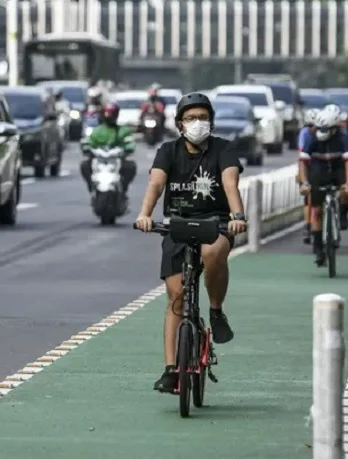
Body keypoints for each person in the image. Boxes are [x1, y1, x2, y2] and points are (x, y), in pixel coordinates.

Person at [134, 92, 247, 394]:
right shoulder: (168, 151)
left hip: (216, 224)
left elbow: (230, 183)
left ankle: (215, 309)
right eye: (191, 118)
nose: (198, 123)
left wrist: (237, 215)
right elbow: (156, 183)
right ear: (179, 124)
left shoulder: (224, 149)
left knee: (213, 252)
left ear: (211, 121)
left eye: (203, 117)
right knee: (176, 298)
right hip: (177, 225)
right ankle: (172, 369)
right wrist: (145, 215)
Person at [298, 106, 348, 266]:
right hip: (319, 170)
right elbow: (302, 163)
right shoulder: (311, 138)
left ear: (334, 129)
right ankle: (318, 249)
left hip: (337, 169)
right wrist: (304, 183)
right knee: (316, 209)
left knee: (347, 192)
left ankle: (342, 213)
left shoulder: (342, 137)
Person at [79, 102, 137, 194]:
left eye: (112, 114)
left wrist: (127, 148)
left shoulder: (123, 130)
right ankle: (91, 185)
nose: (109, 117)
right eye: (107, 114)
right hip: (99, 158)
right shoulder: (97, 131)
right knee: (84, 165)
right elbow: (88, 141)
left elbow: (129, 142)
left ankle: (123, 188)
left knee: (131, 166)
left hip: (116, 158)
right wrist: (87, 148)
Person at [298, 108, 320, 244]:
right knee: (308, 197)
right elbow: (301, 157)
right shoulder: (304, 134)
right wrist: (300, 174)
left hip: (322, 165)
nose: (313, 129)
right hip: (309, 165)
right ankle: (307, 225)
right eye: (310, 126)